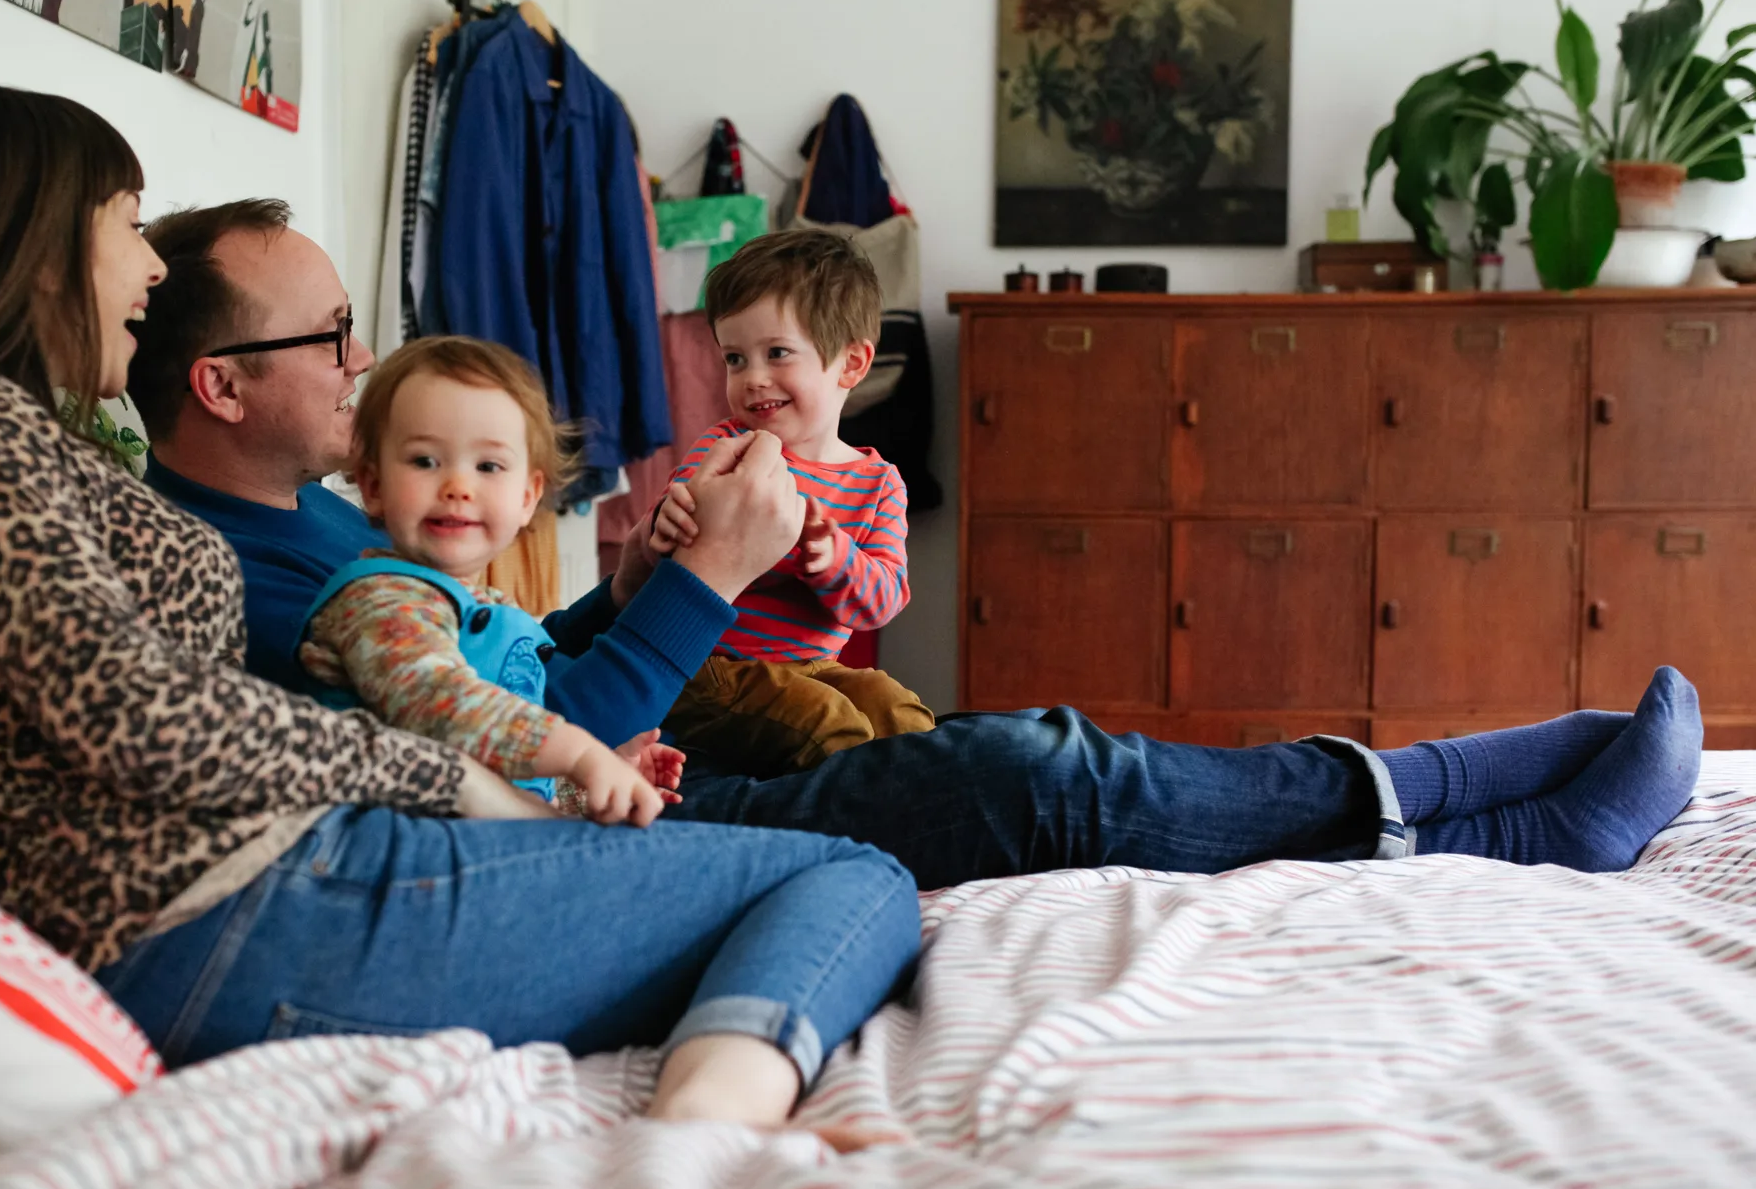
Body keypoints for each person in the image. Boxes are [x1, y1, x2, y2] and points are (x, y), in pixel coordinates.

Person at [0, 84, 922, 1137]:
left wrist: (625, 602)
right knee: (852, 872)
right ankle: (703, 1133)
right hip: (239, 901)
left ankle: (711, 1106)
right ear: (36, 249)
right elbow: (137, 714)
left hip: (292, 870)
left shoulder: (24, 442)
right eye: (126, 223)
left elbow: (481, 669)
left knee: (866, 846)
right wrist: (469, 781)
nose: (149, 266)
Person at [127, 199, 1705, 891]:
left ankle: (1492, 812)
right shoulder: (243, 570)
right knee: (1032, 771)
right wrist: (700, 584)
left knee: (1009, 747)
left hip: (653, 755)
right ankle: (1457, 800)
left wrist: (640, 584)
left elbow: (537, 667)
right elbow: (531, 745)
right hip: (626, 810)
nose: (361, 357)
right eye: (327, 335)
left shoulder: (320, 516)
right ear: (220, 384)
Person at [295, 334, 684, 822]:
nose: (458, 486)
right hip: (387, 845)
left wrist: (589, 788)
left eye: (488, 465)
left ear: (527, 497)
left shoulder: (494, 610)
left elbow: (503, 777)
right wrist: (578, 753)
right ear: (373, 486)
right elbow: (442, 707)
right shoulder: (378, 602)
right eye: (425, 461)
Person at [648, 230, 934, 778]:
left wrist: (835, 561)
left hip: (812, 667)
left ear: (851, 364)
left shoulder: (879, 484)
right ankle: (860, 815)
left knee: (899, 713)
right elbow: (676, 523)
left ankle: (933, 805)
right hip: (709, 669)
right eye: (735, 359)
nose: (753, 379)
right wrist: (670, 522)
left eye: (777, 353)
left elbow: (882, 601)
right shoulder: (727, 447)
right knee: (831, 726)